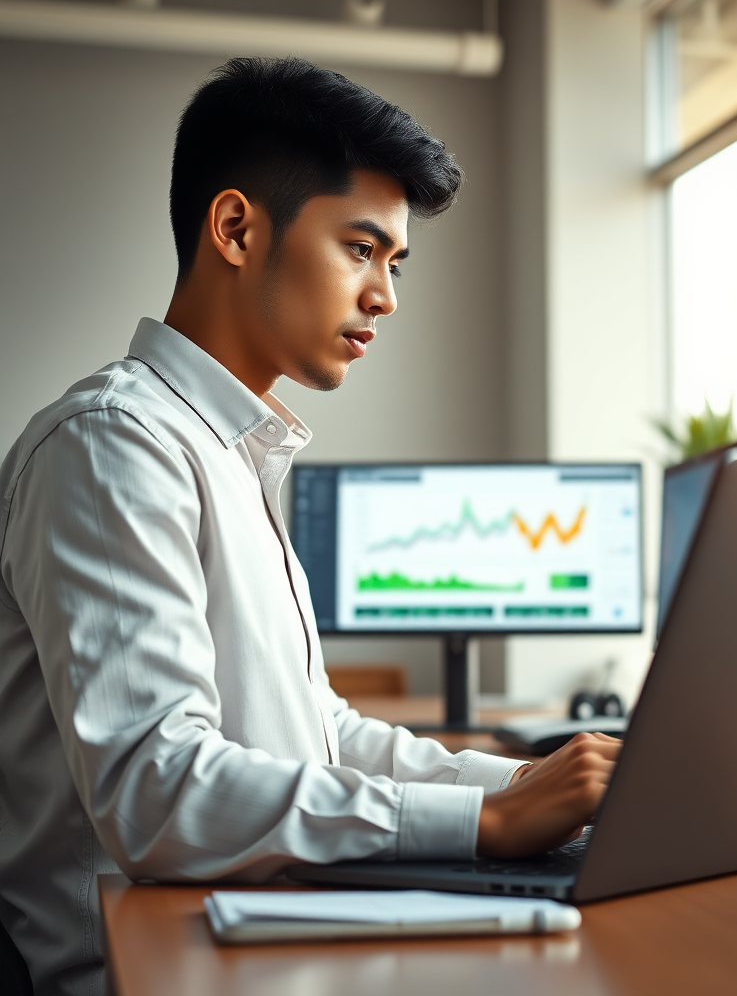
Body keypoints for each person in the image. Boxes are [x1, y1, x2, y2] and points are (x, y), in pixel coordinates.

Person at [0, 57, 621, 996]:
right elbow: (156, 789)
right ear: (237, 228)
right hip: (148, 969)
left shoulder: (225, 451)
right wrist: (484, 826)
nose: (387, 296)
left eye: (395, 261)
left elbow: (314, 738)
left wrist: (523, 790)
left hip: (262, 932)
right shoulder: (112, 445)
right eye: (362, 249)